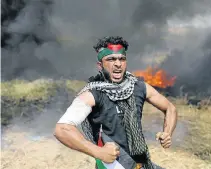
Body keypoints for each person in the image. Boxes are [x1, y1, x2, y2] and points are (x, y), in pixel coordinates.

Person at [54, 36, 177, 169]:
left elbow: (170, 108)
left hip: (140, 163)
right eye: (111, 59)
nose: (118, 64)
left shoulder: (139, 87)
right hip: (113, 165)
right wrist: (98, 152)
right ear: (100, 65)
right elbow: (62, 129)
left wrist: (167, 133)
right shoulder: (93, 94)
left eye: (121, 59)